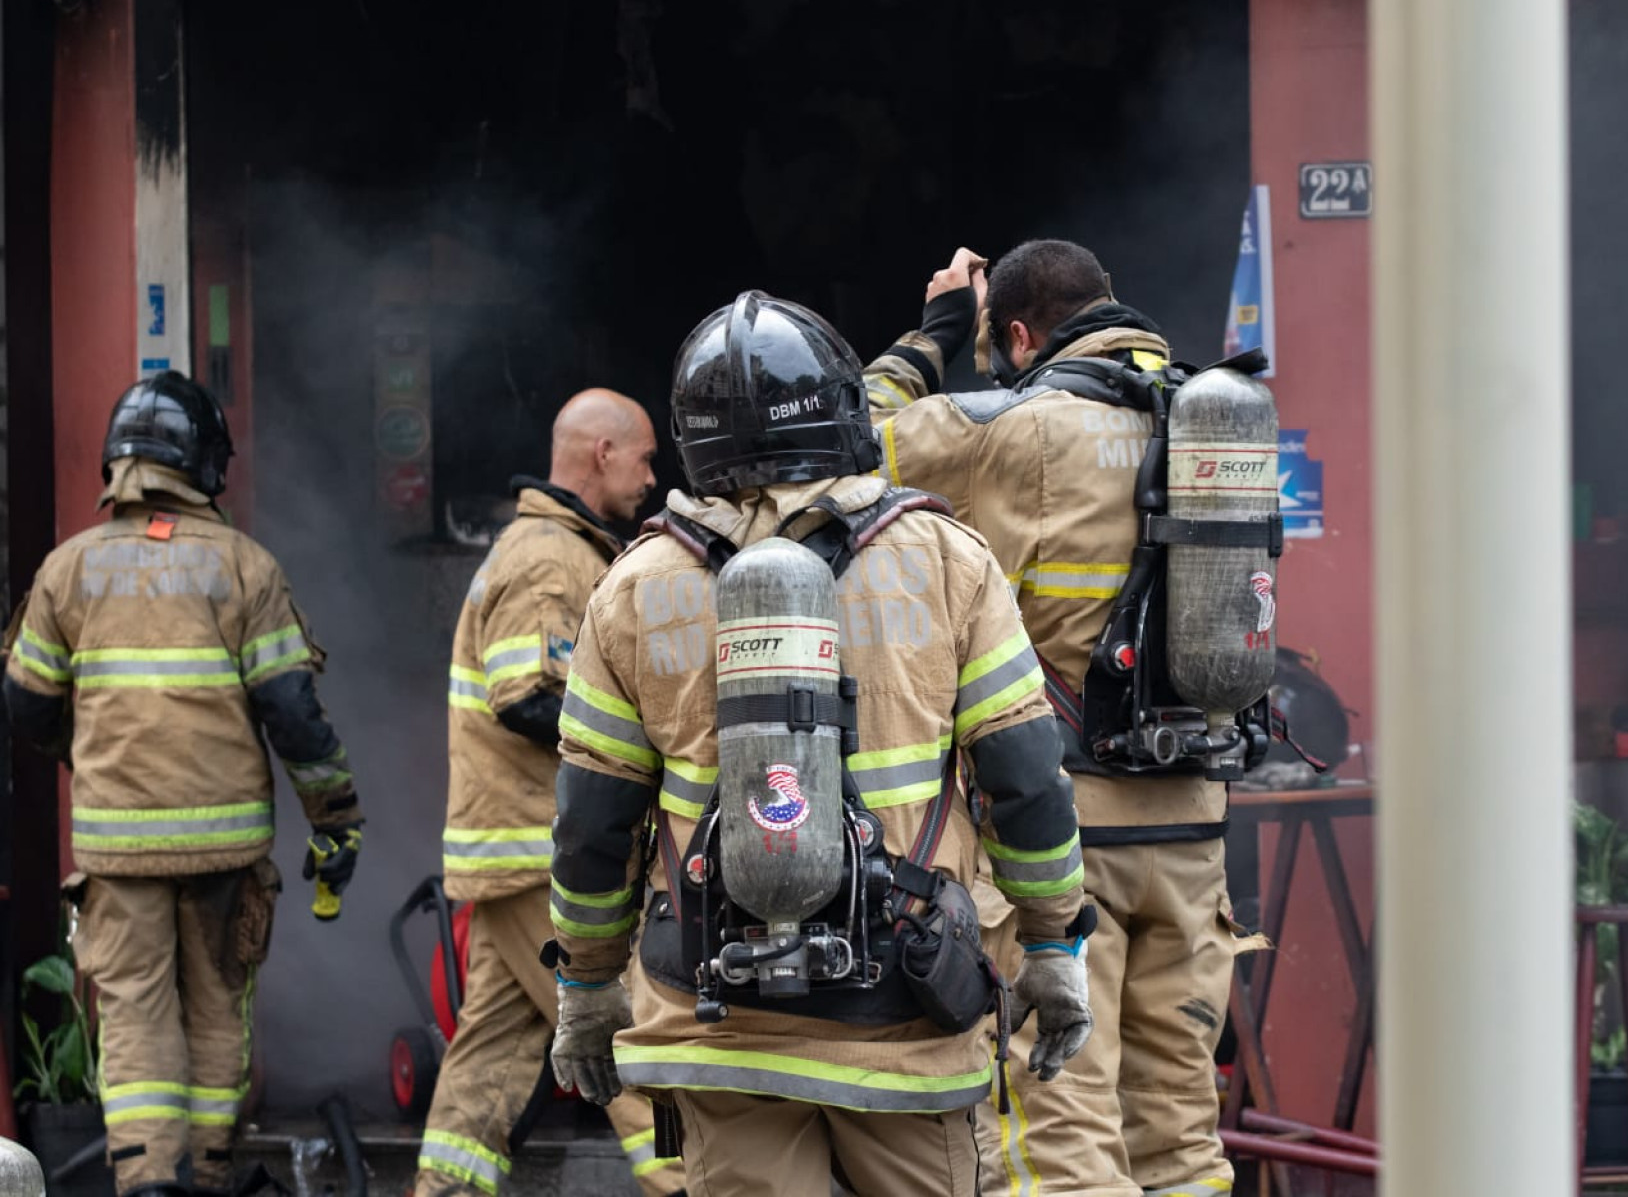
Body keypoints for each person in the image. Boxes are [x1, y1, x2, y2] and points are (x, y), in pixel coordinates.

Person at [543, 292, 1094, 1197]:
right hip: (906, 1013)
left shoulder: (634, 586)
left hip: (717, 1021)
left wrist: (588, 984)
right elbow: (1027, 780)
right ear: (843, 413)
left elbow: (592, 825)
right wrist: (1052, 946)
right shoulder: (947, 560)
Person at [865, 241, 1244, 1197]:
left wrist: (942, 328)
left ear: (1022, 334)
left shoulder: (1014, 428)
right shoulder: (1212, 413)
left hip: (1064, 843)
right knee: (1184, 1140)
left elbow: (837, 440)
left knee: (1058, 1132)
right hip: (1194, 831)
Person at [2, 372, 364, 1197]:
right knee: (213, 1012)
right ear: (204, 462)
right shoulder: (242, 568)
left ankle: (148, 1183)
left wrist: (84, 750)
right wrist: (336, 821)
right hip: (225, 857)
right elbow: (295, 716)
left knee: (132, 1020)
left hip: (115, 854)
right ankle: (204, 1174)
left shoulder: (67, 571)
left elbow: (24, 705)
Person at [414, 389, 683, 1197]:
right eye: (643, 456)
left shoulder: (559, 547)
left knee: (491, 1056)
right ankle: (691, 1183)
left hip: (516, 853)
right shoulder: (549, 557)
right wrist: (651, 746)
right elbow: (528, 696)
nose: (653, 474)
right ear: (602, 453)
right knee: (633, 1041)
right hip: (543, 854)